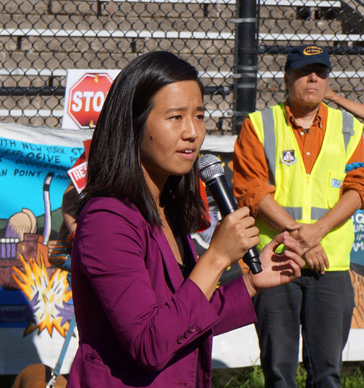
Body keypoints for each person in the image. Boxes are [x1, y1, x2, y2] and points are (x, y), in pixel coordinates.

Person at [66, 50, 305, 388]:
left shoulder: (167, 208)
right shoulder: (108, 218)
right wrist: (218, 257)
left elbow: (184, 320)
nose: (193, 132)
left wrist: (251, 282)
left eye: (199, 115)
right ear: (134, 123)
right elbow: (150, 343)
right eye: (176, 117)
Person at [233, 45, 364, 387]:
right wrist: (302, 239)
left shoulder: (349, 127)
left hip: (330, 266)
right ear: (287, 78)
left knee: (328, 374)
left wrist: (315, 232)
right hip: (275, 261)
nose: (313, 78)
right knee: (278, 372)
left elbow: (359, 187)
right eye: (305, 71)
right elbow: (252, 189)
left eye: (321, 73)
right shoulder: (259, 125)